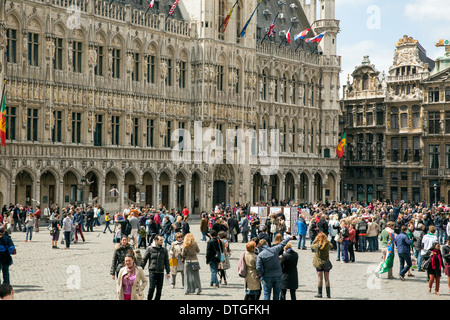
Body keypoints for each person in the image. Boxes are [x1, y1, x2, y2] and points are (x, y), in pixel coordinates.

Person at [256, 235, 291, 300]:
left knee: (267, 294)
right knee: (276, 295)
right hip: (278, 275)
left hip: (267, 276)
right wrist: (289, 237)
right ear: (266, 243)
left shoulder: (260, 255)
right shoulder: (274, 249)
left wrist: (261, 274)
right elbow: (282, 244)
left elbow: (258, 267)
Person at [141, 234, 170, 300]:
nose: (162, 241)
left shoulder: (164, 250)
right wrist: (141, 268)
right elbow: (144, 259)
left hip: (161, 271)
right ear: (156, 240)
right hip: (152, 271)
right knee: (151, 288)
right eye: (161, 240)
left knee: (159, 290)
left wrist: (168, 272)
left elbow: (166, 261)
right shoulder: (150, 249)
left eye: (162, 240)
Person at [311, 232, 333, 298]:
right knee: (327, 279)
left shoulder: (317, 246)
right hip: (326, 263)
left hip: (319, 263)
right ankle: (328, 294)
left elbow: (311, 245)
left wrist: (315, 240)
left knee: (320, 278)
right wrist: (326, 240)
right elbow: (331, 245)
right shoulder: (328, 245)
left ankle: (320, 293)